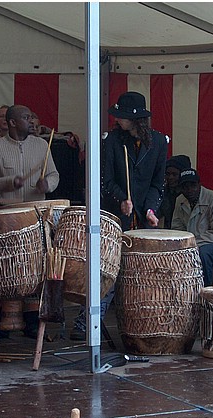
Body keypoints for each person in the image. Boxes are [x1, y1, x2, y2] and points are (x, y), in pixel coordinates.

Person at [71, 91, 169, 340]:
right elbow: (104, 180)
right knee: (110, 270)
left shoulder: (158, 142)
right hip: (115, 214)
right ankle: (87, 322)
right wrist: (121, 200)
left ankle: (144, 324)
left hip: (142, 217)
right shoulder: (112, 140)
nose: (117, 120)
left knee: (141, 271)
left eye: (122, 117)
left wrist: (149, 209)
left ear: (135, 120)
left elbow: (159, 183)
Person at [0, 104, 60, 339]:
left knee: (36, 271)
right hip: (8, 219)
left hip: (37, 217)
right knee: (4, 271)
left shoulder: (42, 145)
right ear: (13, 122)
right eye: (26, 118)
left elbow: (53, 174)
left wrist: (48, 184)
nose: (32, 121)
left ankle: (32, 322)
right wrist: (7, 182)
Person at [171, 168, 213, 286]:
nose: (189, 190)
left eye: (192, 185)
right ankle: (184, 290)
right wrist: (181, 243)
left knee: (204, 253)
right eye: (185, 186)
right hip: (195, 242)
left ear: (199, 184)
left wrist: (192, 243)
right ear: (181, 188)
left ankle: (206, 290)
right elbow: (177, 227)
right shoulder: (180, 200)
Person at [158, 154, 191, 229]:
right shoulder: (163, 193)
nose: (170, 178)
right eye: (167, 174)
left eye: (174, 174)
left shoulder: (191, 194)